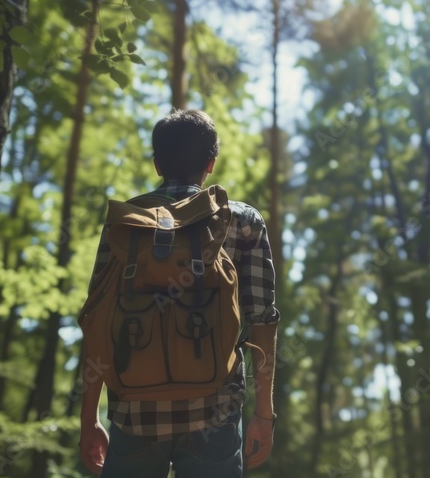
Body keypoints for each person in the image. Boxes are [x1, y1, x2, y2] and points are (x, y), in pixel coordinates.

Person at [78, 109, 280, 477]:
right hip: (214, 413)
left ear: (157, 164)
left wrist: (88, 417)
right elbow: (262, 320)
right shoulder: (241, 221)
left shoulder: (125, 223)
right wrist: (264, 414)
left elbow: (96, 323)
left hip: (133, 411)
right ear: (211, 163)